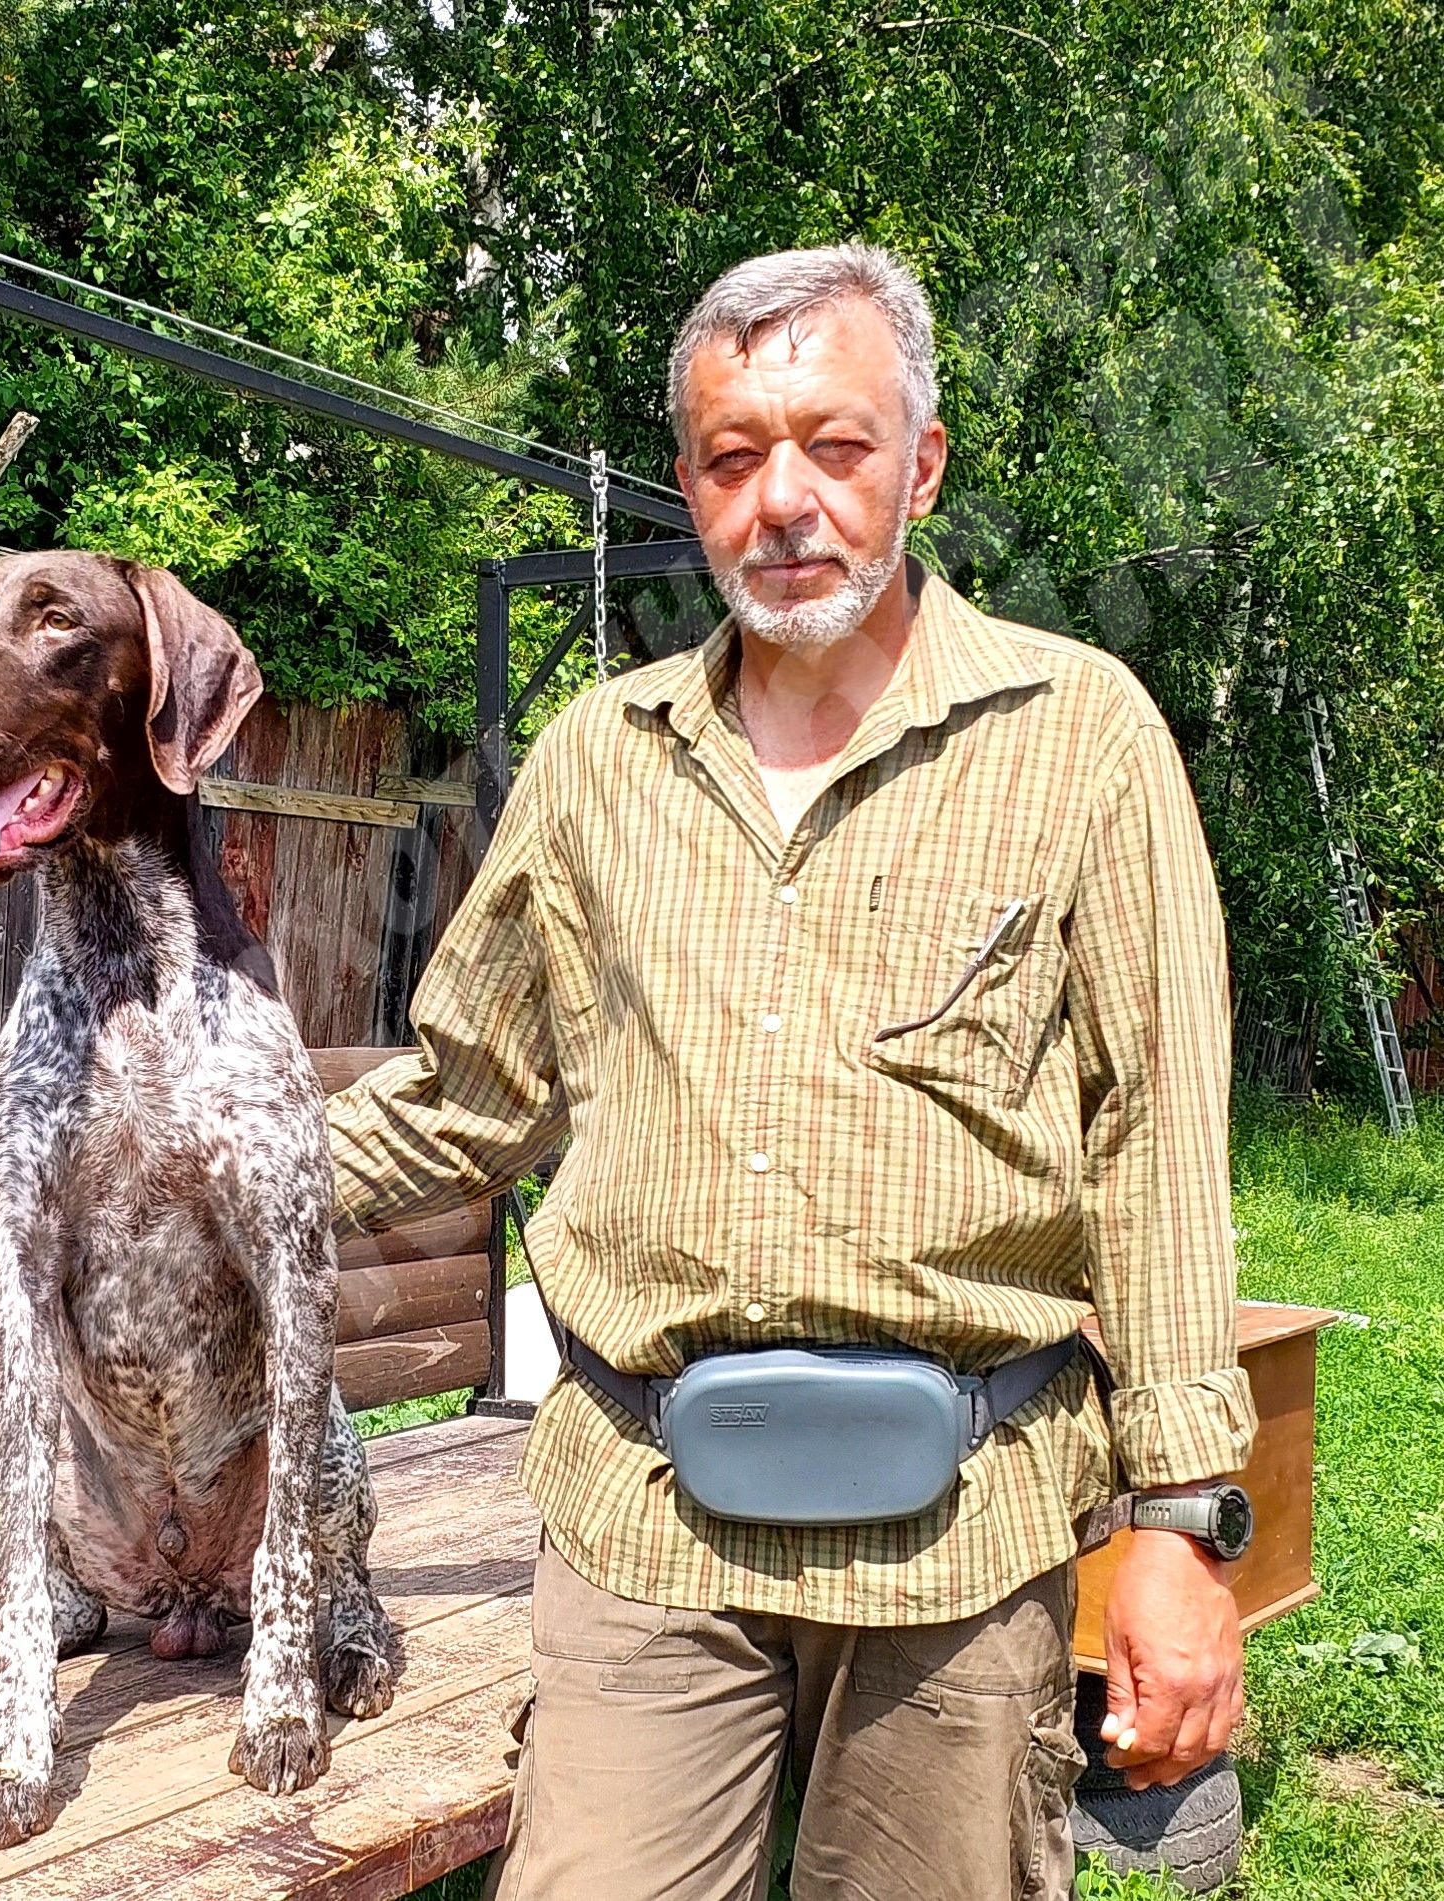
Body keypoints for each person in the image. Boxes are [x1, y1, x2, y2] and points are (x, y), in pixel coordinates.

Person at [325, 243, 1257, 1901]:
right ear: (688, 485)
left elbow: (1157, 1142)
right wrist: (206, 1178)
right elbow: (471, 1090)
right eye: (732, 456)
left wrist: (1180, 1524)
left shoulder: (1080, 737)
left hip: (957, 1527)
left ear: (921, 463)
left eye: (834, 446)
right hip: (646, 1514)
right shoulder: (595, 763)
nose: (783, 503)